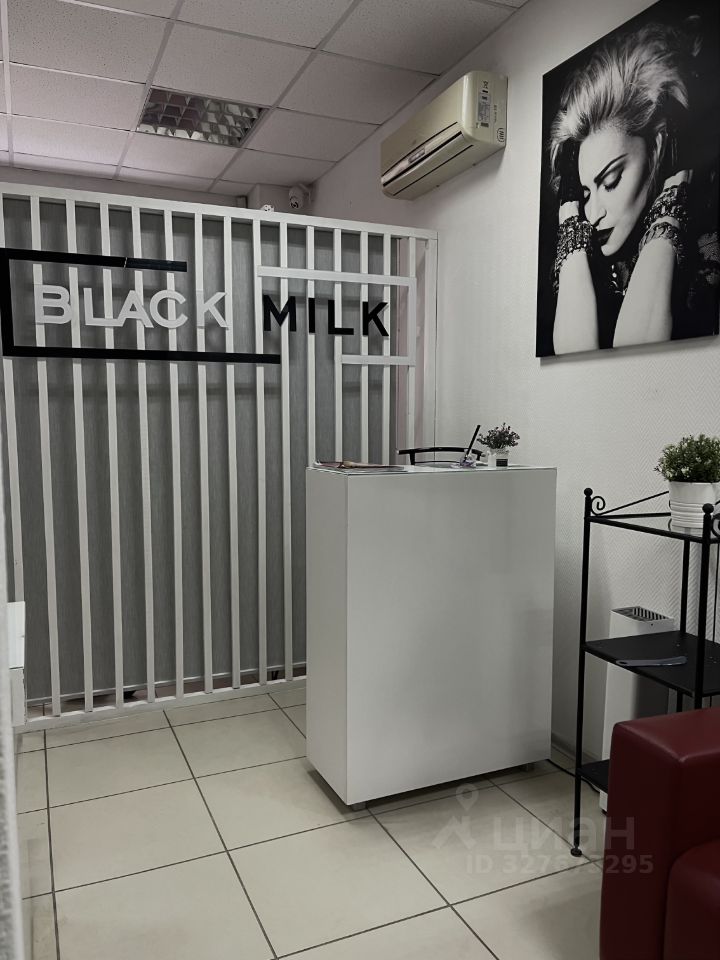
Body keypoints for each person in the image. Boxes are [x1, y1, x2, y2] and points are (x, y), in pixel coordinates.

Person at [548, 19, 720, 354]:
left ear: (658, 148)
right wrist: (570, 222)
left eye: (611, 181)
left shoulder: (708, 252)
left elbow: (638, 343)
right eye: (584, 194)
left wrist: (668, 210)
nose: (593, 214)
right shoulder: (589, 259)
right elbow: (572, 348)